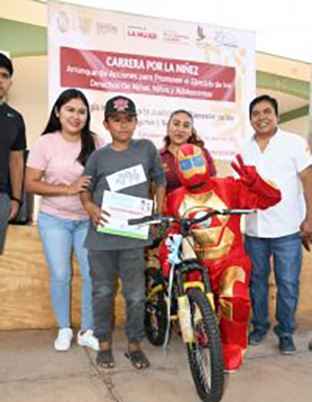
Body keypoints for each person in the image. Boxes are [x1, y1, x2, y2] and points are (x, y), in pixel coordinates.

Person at [158, 144, 281, 371]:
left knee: (235, 298)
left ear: (206, 161)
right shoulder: (174, 198)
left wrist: (255, 183)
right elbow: (171, 233)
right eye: (185, 164)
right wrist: (168, 260)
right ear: (177, 168)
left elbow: (271, 199)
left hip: (229, 261)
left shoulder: (228, 187)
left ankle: (232, 347)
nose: (192, 168)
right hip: (195, 264)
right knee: (196, 311)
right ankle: (204, 331)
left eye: (196, 161)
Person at [80, 95, 166, 369]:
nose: (123, 125)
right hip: (101, 238)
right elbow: (85, 188)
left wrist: (157, 214)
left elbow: (160, 181)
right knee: (103, 292)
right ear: (106, 124)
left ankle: (134, 345)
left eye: (129, 119)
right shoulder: (98, 156)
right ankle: (104, 344)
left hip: (133, 239)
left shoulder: (146, 149)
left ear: (136, 122)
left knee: (136, 295)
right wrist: (90, 206)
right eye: (116, 120)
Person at [25, 88, 104, 352]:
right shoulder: (45, 142)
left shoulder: (95, 141)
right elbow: (30, 183)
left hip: (87, 220)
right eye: (70, 109)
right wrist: (68, 189)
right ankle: (64, 328)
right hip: (54, 220)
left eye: (82, 111)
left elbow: (107, 175)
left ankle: (87, 330)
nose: (76, 116)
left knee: (92, 274)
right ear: (58, 112)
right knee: (61, 274)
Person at [243, 95, 312, 354]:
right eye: (256, 113)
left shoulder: (294, 143)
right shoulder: (244, 147)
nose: (261, 117)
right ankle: (259, 327)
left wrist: (310, 218)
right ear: (250, 119)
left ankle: (285, 332)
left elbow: (308, 181)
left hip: (287, 230)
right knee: (257, 282)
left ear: (276, 116)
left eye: (267, 111)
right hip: (254, 229)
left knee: (288, 283)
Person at [0, 53, 26, 254]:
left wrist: (16, 198)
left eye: (4, 75)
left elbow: (16, 160)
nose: (0, 80)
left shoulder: (15, 118)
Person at [160, 110, 216, 193]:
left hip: (197, 204)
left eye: (186, 126)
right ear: (168, 127)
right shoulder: (159, 157)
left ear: (190, 132)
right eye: (176, 124)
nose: (180, 129)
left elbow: (213, 184)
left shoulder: (201, 153)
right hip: (169, 205)